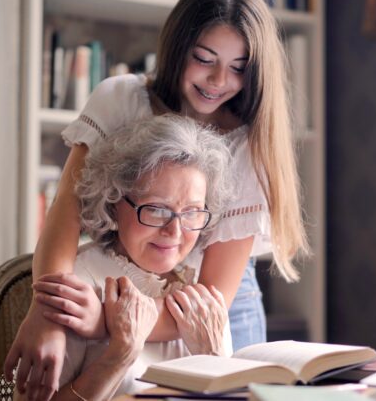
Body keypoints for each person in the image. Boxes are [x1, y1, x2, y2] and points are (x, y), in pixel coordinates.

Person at [5, 0, 310, 399]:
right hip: (119, 283)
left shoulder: (248, 145)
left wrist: (103, 322)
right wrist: (49, 312)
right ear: (177, 47)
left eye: (239, 67)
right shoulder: (121, 99)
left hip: (211, 303)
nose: (220, 81)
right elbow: (66, 210)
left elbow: (214, 294)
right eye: (204, 59)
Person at [14, 115, 233, 400]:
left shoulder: (202, 295)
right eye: (156, 209)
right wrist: (118, 357)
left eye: (192, 211)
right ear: (114, 202)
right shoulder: (78, 286)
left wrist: (214, 359)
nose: (175, 231)